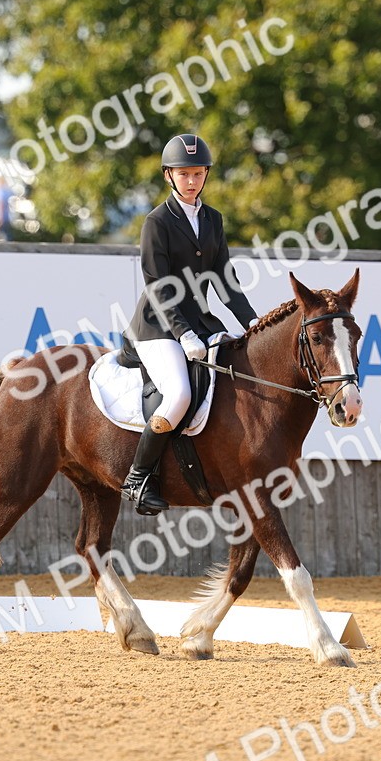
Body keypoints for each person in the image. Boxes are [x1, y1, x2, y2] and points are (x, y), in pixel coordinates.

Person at [121, 133, 259, 514]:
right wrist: (183, 333)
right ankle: (138, 476)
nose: (192, 180)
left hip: (200, 322)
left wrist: (253, 323)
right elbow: (158, 285)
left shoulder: (213, 220)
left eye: (198, 173)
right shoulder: (157, 222)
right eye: (184, 174)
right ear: (169, 176)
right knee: (179, 394)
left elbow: (225, 281)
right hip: (158, 326)